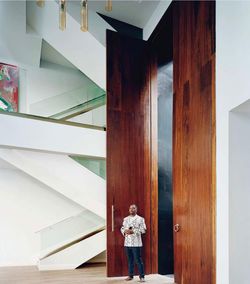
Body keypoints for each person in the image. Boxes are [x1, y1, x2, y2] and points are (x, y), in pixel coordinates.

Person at [121, 204, 146, 282]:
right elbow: (122, 228)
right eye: (130, 208)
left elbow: (143, 230)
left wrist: (133, 231)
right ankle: (130, 276)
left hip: (136, 243)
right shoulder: (125, 219)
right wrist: (125, 231)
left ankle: (142, 277)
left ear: (136, 209)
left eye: (133, 208)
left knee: (138, 260)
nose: (132, 209)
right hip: (127, 243)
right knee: (130, 260)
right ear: (129, 210)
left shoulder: (140, 219)